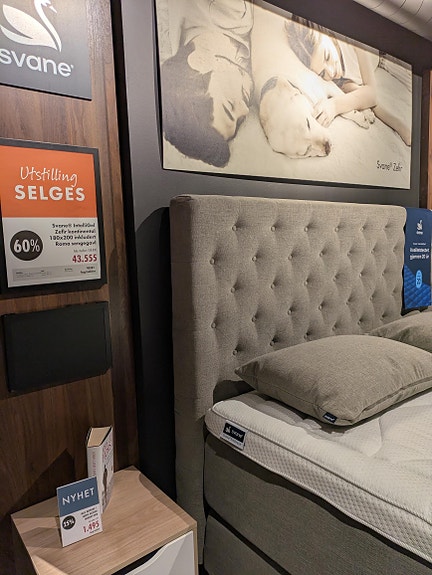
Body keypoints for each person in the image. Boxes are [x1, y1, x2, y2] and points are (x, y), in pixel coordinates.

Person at [287, 17, 412, 146]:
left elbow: (371, 94)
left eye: (327, 56)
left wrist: (334, 106)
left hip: (384, 46)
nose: (330, 72)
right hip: (381, 62)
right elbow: (366, 99)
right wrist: (400, 126)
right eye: (322, 73)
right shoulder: (337, 80)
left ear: (331, 37)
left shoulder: (353, 38)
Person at [159, 0, 254, 167]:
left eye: (229, 106)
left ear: (201, 61)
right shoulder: (240, 68)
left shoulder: (227, 8)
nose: (245, 110)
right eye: (239, 121)